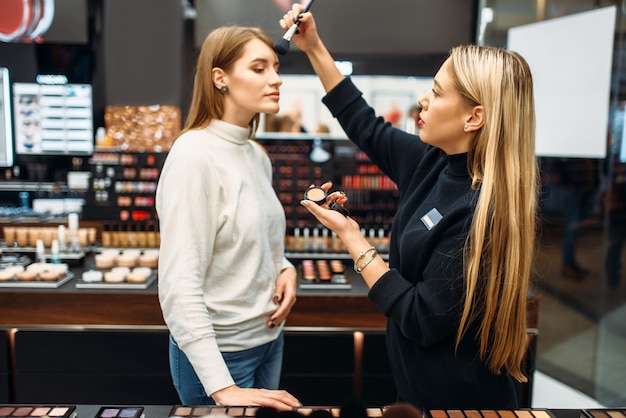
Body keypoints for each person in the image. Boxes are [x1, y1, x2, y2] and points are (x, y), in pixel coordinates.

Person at [280, 5, 538, 409]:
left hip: (462, 406)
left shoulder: (480, 211)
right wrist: (312, 46)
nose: (423, 99)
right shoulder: (433, 162)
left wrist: (351, 237)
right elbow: (363, 122)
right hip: (414, 395)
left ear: (474, 117)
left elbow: (421, 317)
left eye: (436, 92)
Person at [155, 25, 300, 410]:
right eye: (258, 68)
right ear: (220, 78)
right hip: (220, 357)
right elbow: (178, 284)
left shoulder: (255, 154)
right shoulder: (194, 155)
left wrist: (284, 268)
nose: (276, 79)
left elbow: (259, 238)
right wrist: (223, 388)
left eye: (274, 67)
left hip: (269, 340)